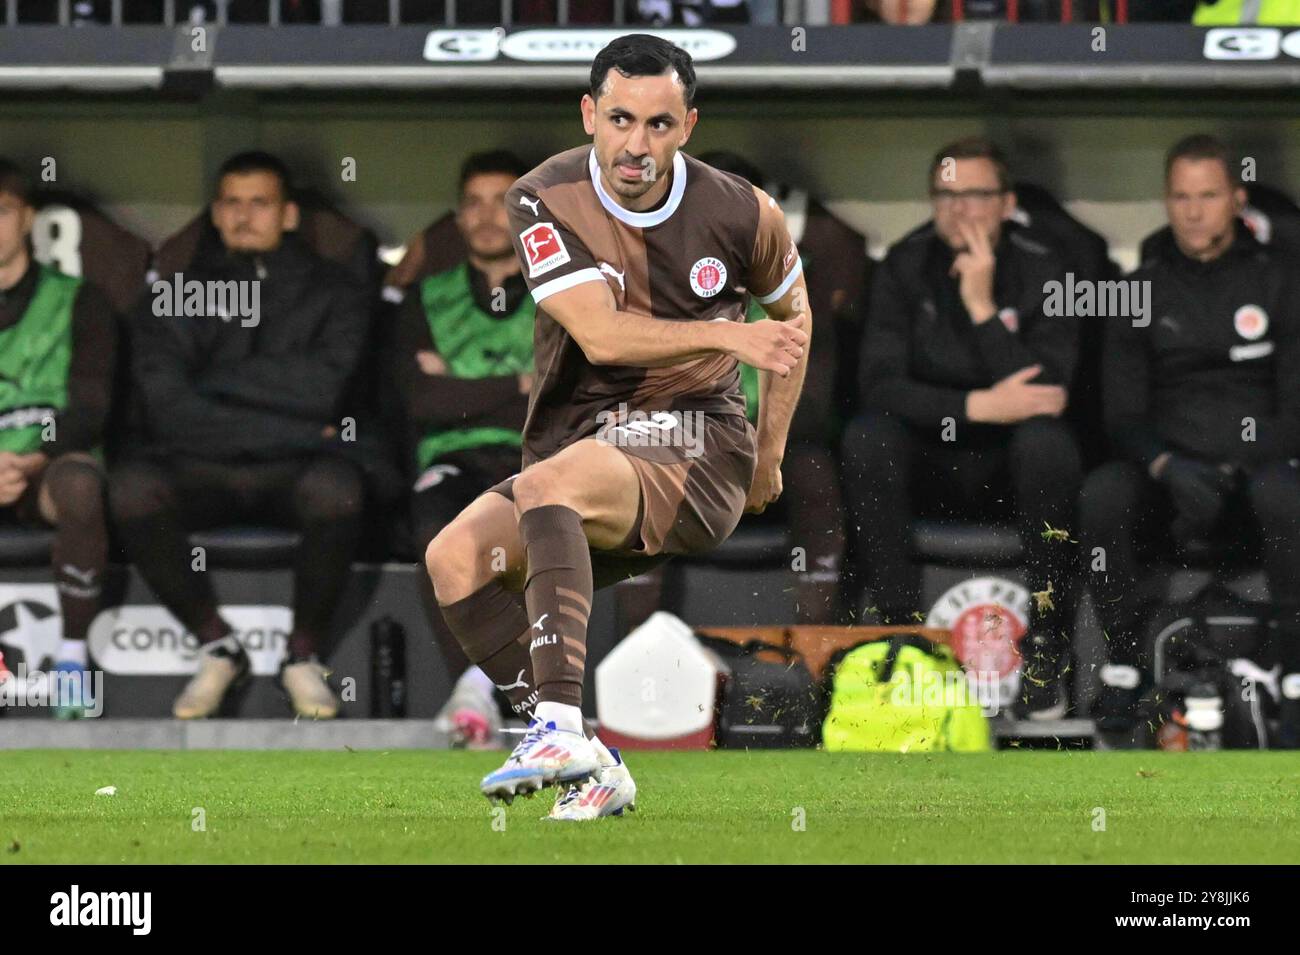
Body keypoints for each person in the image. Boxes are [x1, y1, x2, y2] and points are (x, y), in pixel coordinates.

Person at [424, 33, 809, 819]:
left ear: (689, 125)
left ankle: (556, 726)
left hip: (698, 442)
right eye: (622, 120)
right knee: (455, 557)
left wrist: (768, 458)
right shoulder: (541, 196)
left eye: (660, 125)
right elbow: (600, 334)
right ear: (589, 113)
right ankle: (594, 759)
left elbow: (793, 324)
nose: (638, 145)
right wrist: (728, 335)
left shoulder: (743, 212)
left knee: (550, 482)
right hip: (583, 450)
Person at [111, 151, 370, 721]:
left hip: (292, 471)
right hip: (203, 465)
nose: (244, 215)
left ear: (289, 214)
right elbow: (169, 409)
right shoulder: (175, 292)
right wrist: (296, 424)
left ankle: (302, 656)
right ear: (215, 212)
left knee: (339, 488)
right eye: (231, 202)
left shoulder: (335, 291)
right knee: (130, 487)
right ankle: (216, 645)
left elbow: (324, 390)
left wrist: (215, 384)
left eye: (260, 202)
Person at [840, 136, 1082, 719]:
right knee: (867, 437)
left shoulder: (1047, 265)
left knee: (1047, 445)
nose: (959, 210)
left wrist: (981, 306)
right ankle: (903, 637)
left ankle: (1048, 646)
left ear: (1006, 203)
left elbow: (1046, 392)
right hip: (933, 462)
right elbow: (880, 384)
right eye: (946, 195)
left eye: (975, 195)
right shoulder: (904, 263)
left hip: (1013, 466)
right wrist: (975, 406)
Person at [1079, 134, 1300, 745]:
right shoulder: (1137, 288)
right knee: (1104, 493)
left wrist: (1240, 462)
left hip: (1258, 472)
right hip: (1170, 478)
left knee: (1289, 493)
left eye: (1208, 196)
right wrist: (1166, 465)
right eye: (1181, 197)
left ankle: (1294, 677)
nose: (1194, 211)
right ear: (1167, 202)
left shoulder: (1282, 279)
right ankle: (1122, 667)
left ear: (1237, 199)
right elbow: (1121, 415)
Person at [392, 150, 536, 747]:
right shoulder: (425, 297)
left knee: (546, 529)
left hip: (538, 454)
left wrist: (462, 386)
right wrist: (518, 384)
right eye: (472, 203)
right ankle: (474, 689)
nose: (485, 217)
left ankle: (483, 694)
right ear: (457, 215)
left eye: (499, 203)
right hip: (454, 456)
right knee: (437, 526)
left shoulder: (563, 293)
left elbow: (562, 396)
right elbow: (421, 401)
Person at [0, 159, 117, 719]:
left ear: (26, 218)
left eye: (0, 212)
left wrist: (26, 461)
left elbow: (92, 407)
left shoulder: (79, 299)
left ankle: (72, 660)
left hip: (42, 468)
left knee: (79, 483)